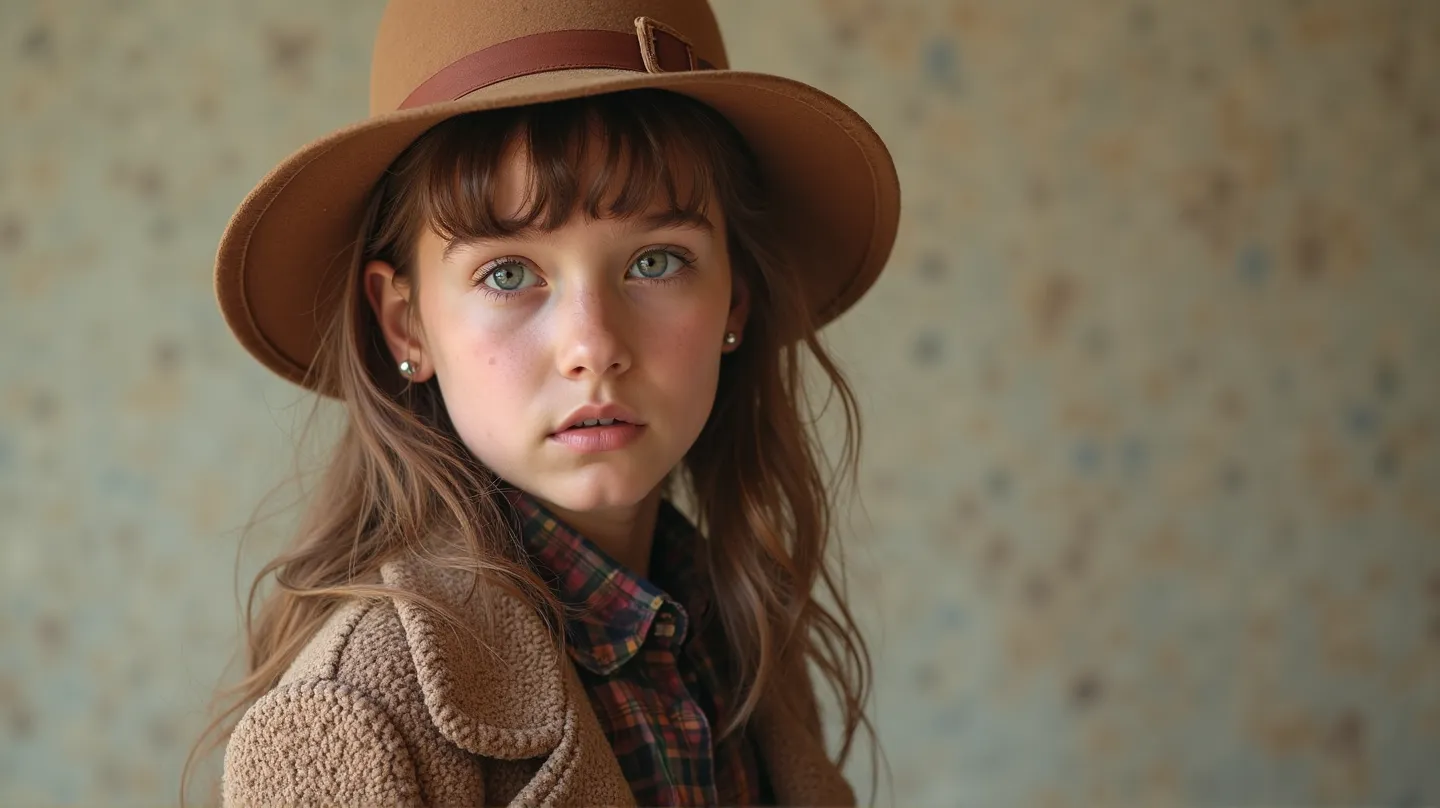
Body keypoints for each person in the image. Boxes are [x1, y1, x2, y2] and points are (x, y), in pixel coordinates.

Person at [201, 0, 900, 804]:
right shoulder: (355, 716)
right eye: (507, 274)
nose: (593, 345)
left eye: (656, 261)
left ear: (734, 301)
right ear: (407, 323)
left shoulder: (744, 646)